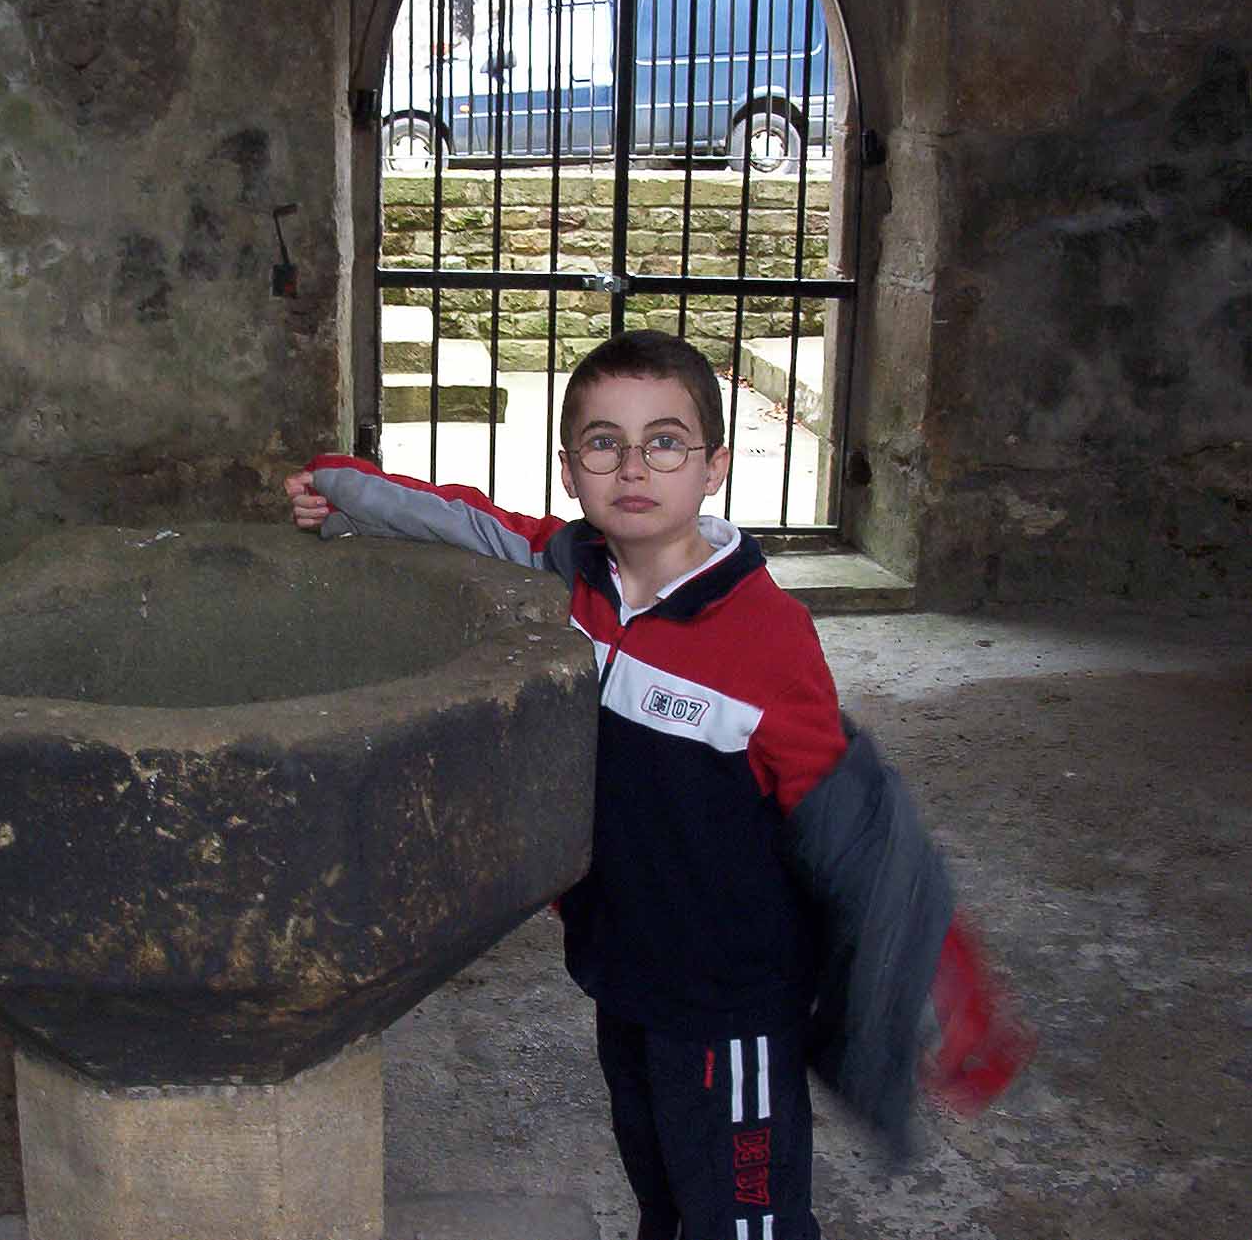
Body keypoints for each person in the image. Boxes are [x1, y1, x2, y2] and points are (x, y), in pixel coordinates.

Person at [285, 330, 1028, 1240]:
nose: (633, 466)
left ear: (714, 466)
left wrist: (951, 995)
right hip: (624, 972)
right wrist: (338, 489)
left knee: (744, 1216)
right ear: (569, 468)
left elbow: (861, 827)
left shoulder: (764, 635)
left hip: (730, 1002)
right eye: (604, 442)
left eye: (665, 442)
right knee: (664, 1193)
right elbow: (462, 520)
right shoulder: (570, 576)